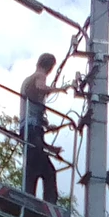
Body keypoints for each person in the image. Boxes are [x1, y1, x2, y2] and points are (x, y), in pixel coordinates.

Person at [19, 53, 72, 204]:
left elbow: (34, 105)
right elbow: (40, 87)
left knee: (33, 167)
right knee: (47, 171)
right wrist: (60, 89)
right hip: (32, 128)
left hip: (27, 128)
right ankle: (48, 204)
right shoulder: (39, 76)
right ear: (49, 67)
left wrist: (47, 129)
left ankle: (28, 200)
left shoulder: (26, 81)